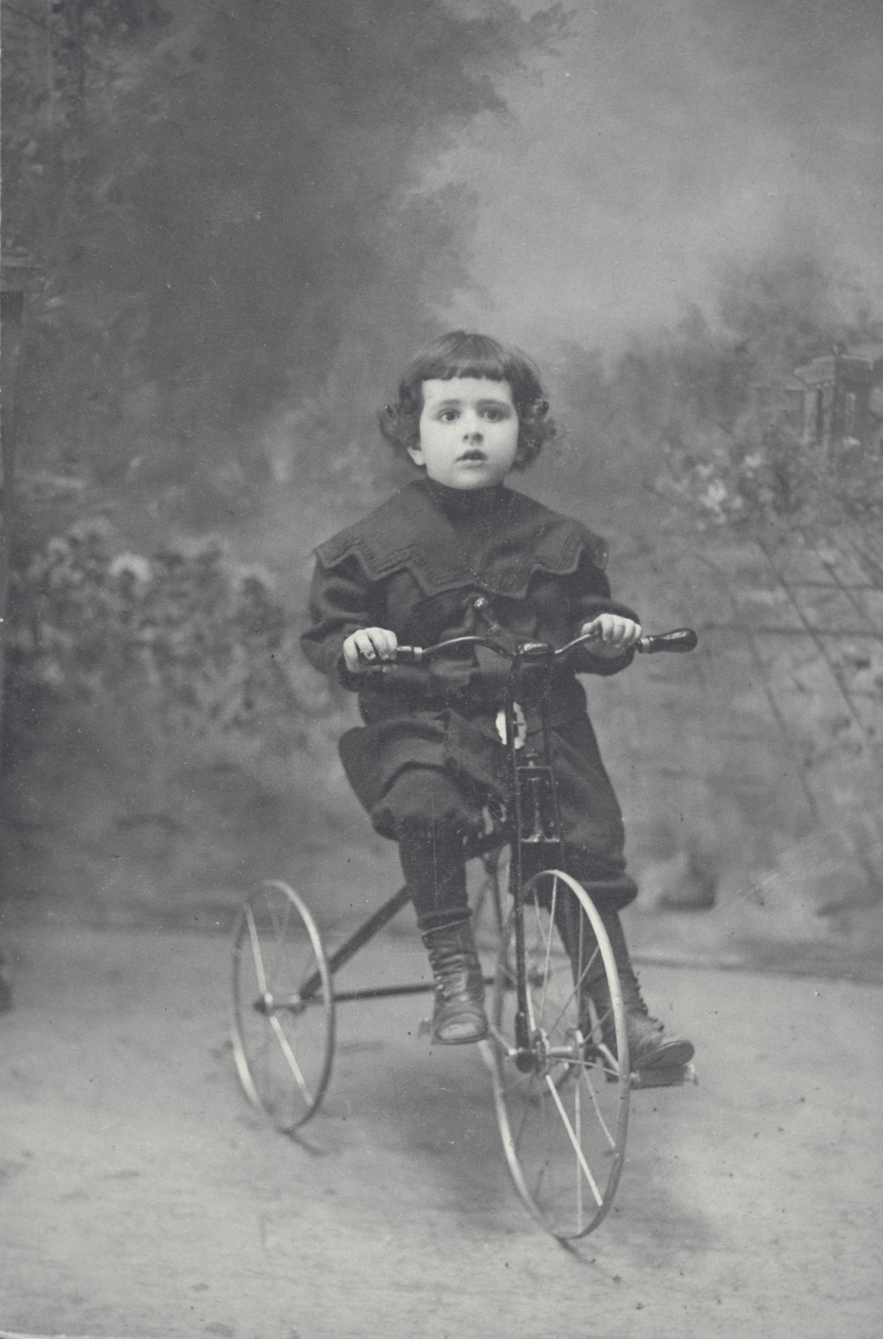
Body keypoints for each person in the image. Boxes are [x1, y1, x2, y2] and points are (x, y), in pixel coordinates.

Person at [301, 331, 693, 1071]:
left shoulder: (557, 538)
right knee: (422, 800)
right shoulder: (369, 543)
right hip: (424, 718)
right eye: (448, 415)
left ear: (525, 434)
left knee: (584, 833)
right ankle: (454, 975)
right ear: (414, 443)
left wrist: (607, 630)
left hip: (538, 721)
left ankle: (617, 1011)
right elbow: (328, 633)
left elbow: (590, 627)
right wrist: (354, 646)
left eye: (493, 413)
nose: (472, 429)